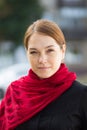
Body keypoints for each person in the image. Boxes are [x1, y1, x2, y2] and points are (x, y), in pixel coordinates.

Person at [0, 19, 87, 130]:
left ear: (63, 51)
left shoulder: (82, 95)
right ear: (27, 53)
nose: (42, 59)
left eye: (49, 50)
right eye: (34, 52)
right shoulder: (15, 91)